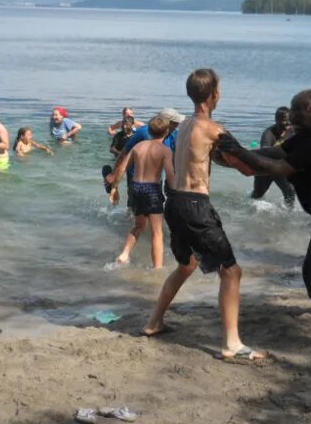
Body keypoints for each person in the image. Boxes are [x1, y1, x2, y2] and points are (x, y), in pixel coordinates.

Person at [220, 89, 311, 353]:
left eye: (300, 111)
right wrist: (235, 153)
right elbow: (275, 153)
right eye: (293, 109)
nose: (293, 115)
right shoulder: (306, 136)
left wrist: (241, 155)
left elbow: (279, 168)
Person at [142, 69, 266, 362]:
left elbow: (207, 158)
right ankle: (232, 343)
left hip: (174, 202)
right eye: (218, 90)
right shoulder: (213, 129)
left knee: (186, 265)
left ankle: (153, 323)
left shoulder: (182, 125)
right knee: (232, 271)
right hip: (196, 205)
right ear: (213, 95)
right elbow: (247, 167)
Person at [107, 116, 175, 267]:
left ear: (149, 130)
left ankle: (124, 254)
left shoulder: (138, 147)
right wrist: (177, 193)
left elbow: (122, 168)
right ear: (166, 132)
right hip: (152, 189)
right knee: (157, 232)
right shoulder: (165, 151)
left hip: (136, 188)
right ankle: (157, 268)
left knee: (139, 226)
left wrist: (114, 188)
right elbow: (170, 176)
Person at [250, 107, 296, 207]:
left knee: (290, 192)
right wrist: (281, 142)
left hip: (281, 167)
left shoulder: (291, 130)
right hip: (265, 168)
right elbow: (266, 153)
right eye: (285, 121)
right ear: (276, 121)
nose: (288, 123)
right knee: (257, 195)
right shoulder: (268, 134)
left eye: (290, 120)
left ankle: (288, 215)